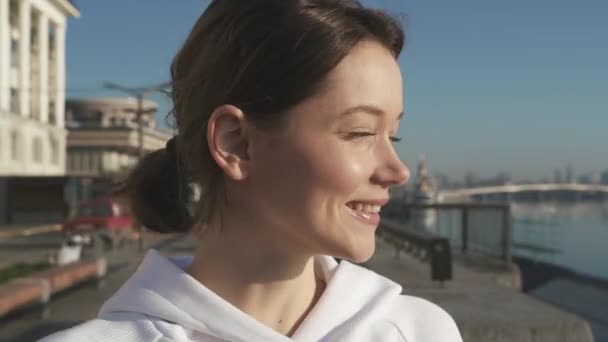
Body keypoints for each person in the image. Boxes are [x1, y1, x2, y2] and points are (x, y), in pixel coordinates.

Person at [41, 0, 462, 341]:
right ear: (236, 144)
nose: (397, 170)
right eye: (360, 132)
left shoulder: (419, 331)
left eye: (395, 136)